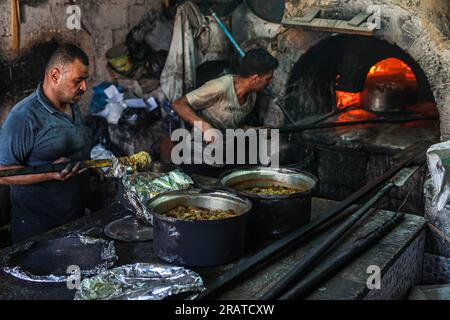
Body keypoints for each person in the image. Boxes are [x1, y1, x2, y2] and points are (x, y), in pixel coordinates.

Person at [0, 43, 94, 243]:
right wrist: (50, 172)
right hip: (37, 230)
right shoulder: (24, 117)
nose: (84, 87)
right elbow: (2, 173)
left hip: (73, 220)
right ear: (54, 76)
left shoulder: (72, 106)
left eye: (85, 80)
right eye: (78, 80)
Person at [159, 48, 279, 162]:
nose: (270, 83)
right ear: (255, 78)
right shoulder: (219, 87)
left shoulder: (252, 95)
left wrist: (256, 130)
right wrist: (205, 127)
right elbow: (178, 104)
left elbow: (233, 126)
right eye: (268, 79)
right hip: (199, 156)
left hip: (225, 156)